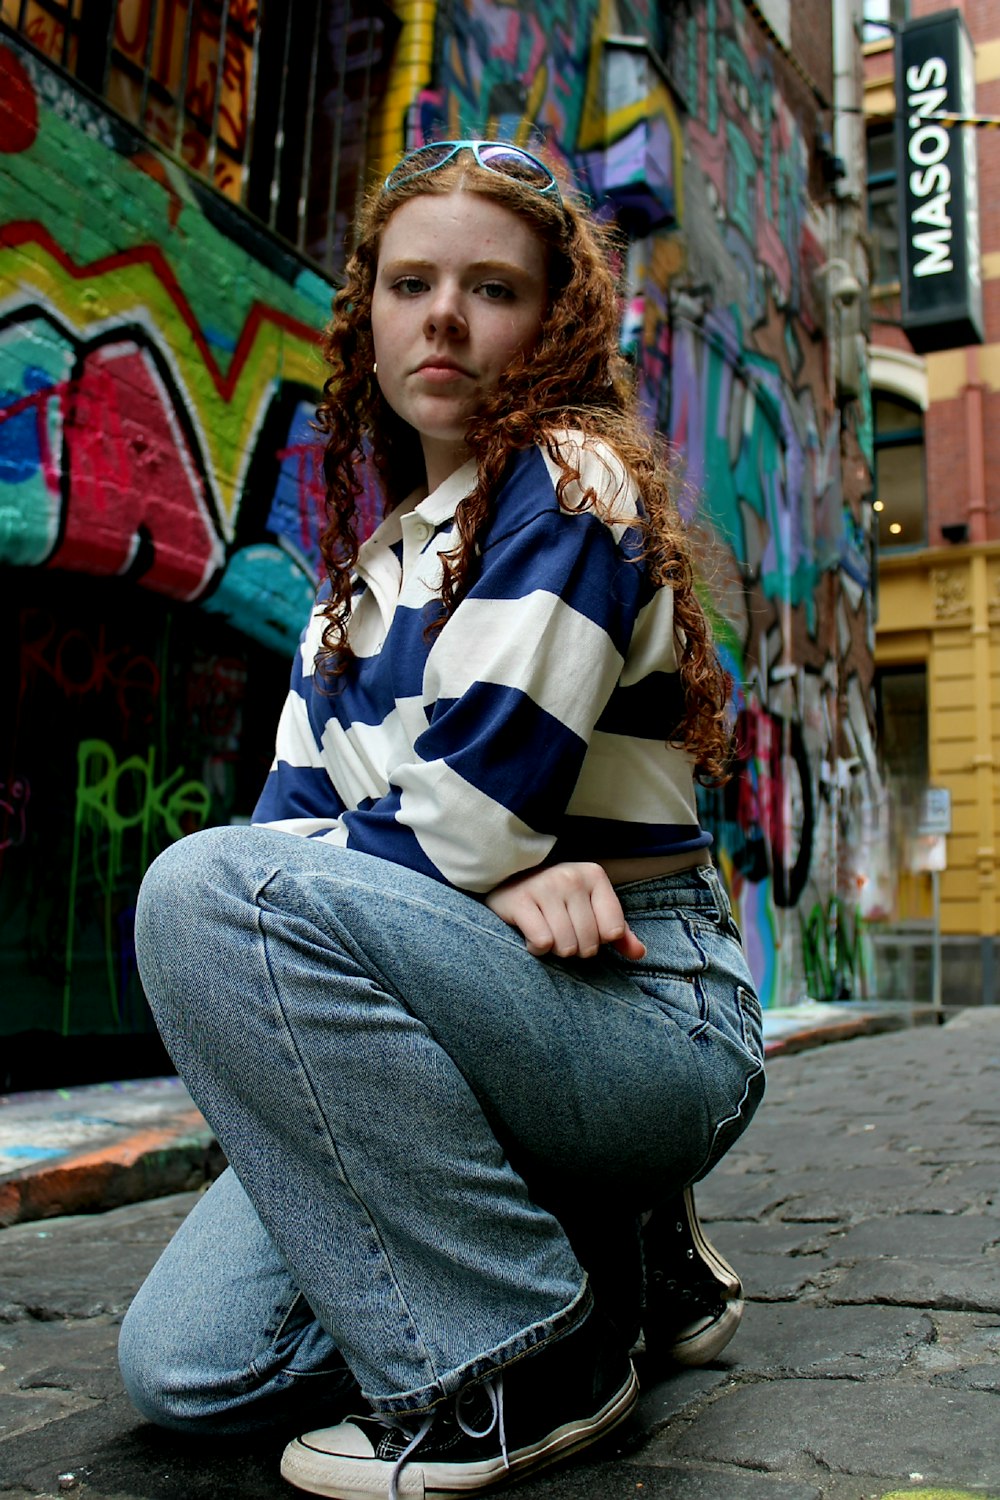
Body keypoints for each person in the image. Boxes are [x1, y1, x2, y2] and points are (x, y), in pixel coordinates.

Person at [119, 139, 765, 1500]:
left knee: (197, 892)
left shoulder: (574, 485)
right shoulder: (355, 590)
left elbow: (454, 827)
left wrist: (463, 864)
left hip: (645, 1007)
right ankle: (616, 1252)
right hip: (484, 991)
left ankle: (524, 1362)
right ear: (368, 311)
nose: (447, 319)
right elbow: (301, 840)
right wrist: (473, 879)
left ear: (556, 319)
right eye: (412, 283)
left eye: (495, 288)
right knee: (187, 1369)